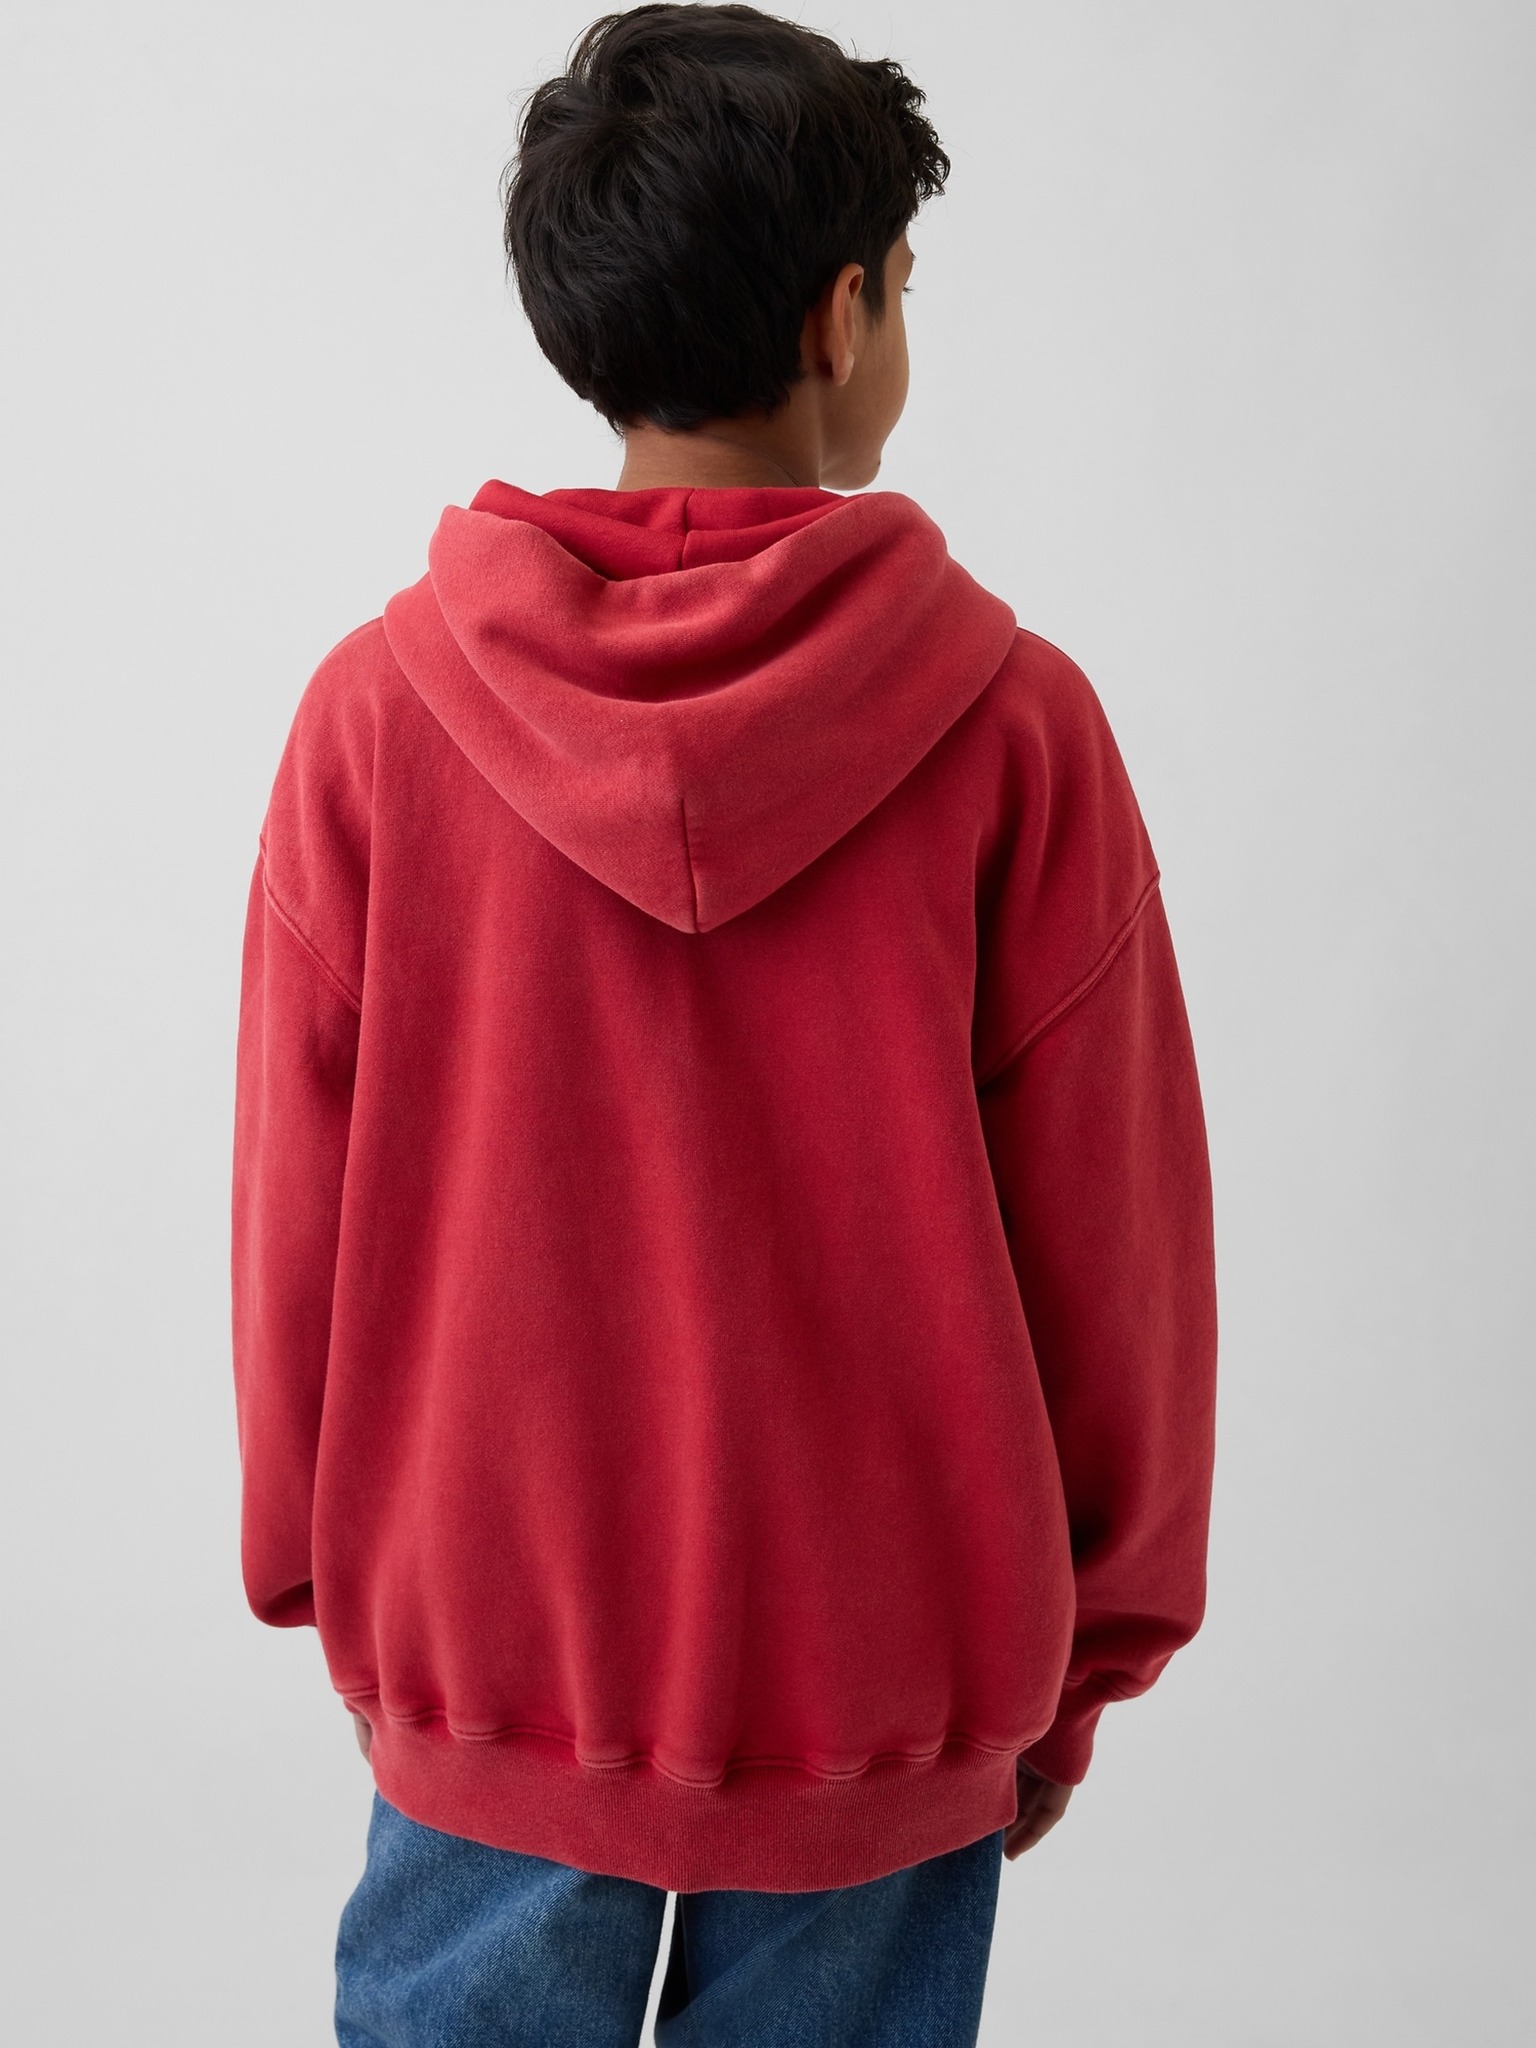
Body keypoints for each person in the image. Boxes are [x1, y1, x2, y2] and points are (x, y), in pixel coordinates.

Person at [229, 6, 1218, 2043]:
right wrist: (1077, 1664)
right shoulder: (1017, 732)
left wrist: (354, 1605)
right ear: (846, 314)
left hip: (489, 1651)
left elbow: (290, 1218)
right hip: (889, 1676)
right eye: (907, 285)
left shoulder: (374, 719)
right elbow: (1117, 1254)